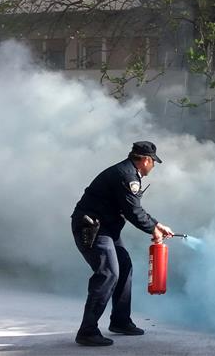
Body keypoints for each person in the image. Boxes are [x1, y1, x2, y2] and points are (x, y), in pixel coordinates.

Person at [71, 141, 174, 347]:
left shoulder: (128, 172)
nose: (152, 167)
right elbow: (133, 212)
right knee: (108, 274)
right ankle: (87, 331)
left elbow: (133, 207)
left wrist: (156, 224)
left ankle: (120, 321)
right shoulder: (127, 176)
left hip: (106, 228)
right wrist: (153, 230)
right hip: (93, 228)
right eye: (153, 162)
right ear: (145, 160)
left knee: (124, 266)